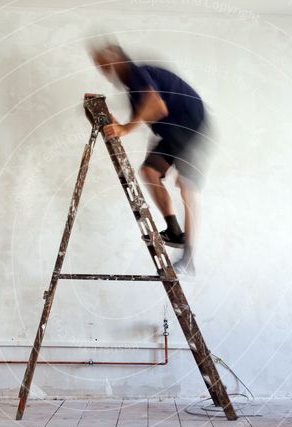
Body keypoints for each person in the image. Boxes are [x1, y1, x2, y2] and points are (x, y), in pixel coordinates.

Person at [89, 41, 211, 275]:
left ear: (115, 55)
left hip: (189, 127)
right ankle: (174, 231)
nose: (99, 65)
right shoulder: (133, 87)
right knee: (149, 171)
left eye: (100, 59)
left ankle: (188, 258)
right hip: (173, 133)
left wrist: (125, 128)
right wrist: (120, 123)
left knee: (187, 187)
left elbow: (156, 105)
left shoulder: (136, 73)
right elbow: (146, 109)